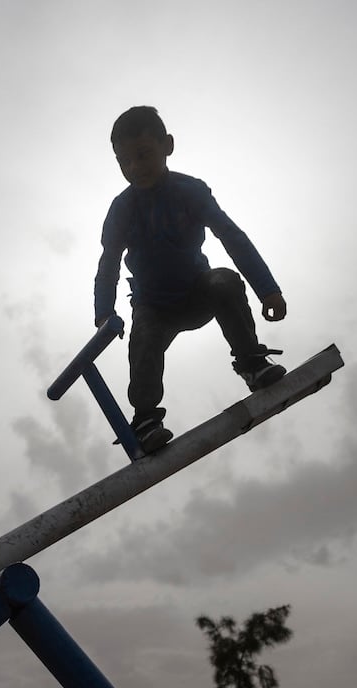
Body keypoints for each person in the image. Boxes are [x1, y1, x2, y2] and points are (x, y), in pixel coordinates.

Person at [94, 105, 289, 453]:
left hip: (198, 292)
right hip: (153, 306)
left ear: (167, 145)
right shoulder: (121, 209)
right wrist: (104, 312)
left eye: (143, 155)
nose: (135, 168)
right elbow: (108, 261)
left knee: (224, 281)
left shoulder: (190, 191)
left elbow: (231, 235)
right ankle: (146, 418)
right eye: (125, 162)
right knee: (143, 342)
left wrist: (268, 289)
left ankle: (251, 363)